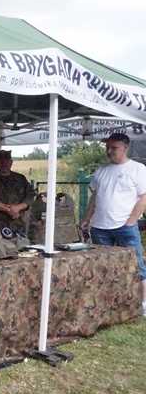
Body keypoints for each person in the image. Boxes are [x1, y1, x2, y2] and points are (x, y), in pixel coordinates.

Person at [81, 132, 146, 316]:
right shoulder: (101, 170)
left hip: (125, 227)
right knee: (104, 268)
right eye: (107, 147)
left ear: (125, 148)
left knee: (137, 266)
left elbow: (144, 197)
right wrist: (86, 218)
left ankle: (143, 305)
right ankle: (107, 304)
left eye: (114, 148)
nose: (109, 151)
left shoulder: (137, 168)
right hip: (100, 227)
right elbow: (95, 197)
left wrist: (131, 221)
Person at [0, 149, 34, 233]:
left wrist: (18, 207)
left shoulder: (20, 178)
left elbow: (30, 195)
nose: (3, 164)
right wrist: (9, 210)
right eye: (0, 162)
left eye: (6, 161)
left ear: (11, 162)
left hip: (19, 221)